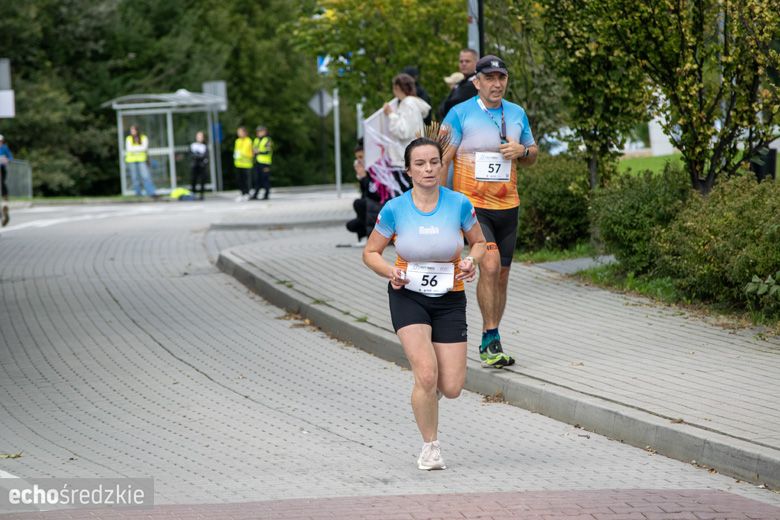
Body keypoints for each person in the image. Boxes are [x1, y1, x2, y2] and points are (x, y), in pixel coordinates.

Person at [363, 137, 486, 471]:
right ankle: (430, 447)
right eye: (420, 164)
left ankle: (426, 395)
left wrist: (470, 262)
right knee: (427, 374)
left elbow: (479, 244)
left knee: (453, 386)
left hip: (449, 297)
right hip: (408, 296)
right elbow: (370, 253)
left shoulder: (459, 204)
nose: (429, 169)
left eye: (434, 162)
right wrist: (391, 271)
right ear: (409, 171)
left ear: (441, 165)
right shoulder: (395, 209)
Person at [442, 54, 538, 369]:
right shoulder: (459, 114)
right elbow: (442, 160)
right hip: (473, 205)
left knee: (502, 276)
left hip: (508, 205)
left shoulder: (517, 113)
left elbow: (532, 153)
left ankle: (491, 337)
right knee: (491, 264)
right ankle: (490, 336)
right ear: (477, 82)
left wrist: (521, 151)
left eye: (502, 78)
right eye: (490, 78)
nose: (496, 84)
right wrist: (440, 204)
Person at [383, 73, 431, 194]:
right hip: (410, 155)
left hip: (405, 157)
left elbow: (403, 131)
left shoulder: (408, 103)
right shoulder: (412, 103)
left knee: (406, 194)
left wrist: (391, 115)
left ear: (398, 88)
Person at [346, 139, 381, 245]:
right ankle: (363, 237)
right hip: (371, 208)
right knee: (351, 225)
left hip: (379, 206)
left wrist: (364, 178)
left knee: (358, 203)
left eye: (361, 157)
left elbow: (375, 194)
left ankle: (370, 236)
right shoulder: (366, 171)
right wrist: (362, 179)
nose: (359, 161)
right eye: (357, 158)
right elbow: (365, 194)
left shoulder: (377, 169)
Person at [438, 49, 479, 121]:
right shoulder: (462, 83)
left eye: (467, 61)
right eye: (461, 61)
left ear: (476, 63)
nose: (463, 64)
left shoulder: (476, 83)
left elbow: (449, 106)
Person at [125, 125, 157, 198]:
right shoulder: (129, 138)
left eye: (133, 130)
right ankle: (138, 194)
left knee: (146, 176)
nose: (132, 132)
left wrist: (135, 149)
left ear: (137, 130)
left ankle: (151, 193)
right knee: (135, 178)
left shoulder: (143, 137)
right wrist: (139, 148)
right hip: (131, 160)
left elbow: (144, 148)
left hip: (142, 160)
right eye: (131, 130)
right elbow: (129, 149)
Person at [251, 126, 273, 200]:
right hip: (257, 162)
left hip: (265, 163)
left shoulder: (267, 140)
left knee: (265, 179)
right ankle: (256, 194)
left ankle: (266, 194)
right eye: (258, 131)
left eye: (261, 131)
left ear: (265, 132)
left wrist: (259, 151)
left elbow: (268, 151)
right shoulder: (256, 140)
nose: (259, 133)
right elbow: (254, 149)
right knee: (256, 179)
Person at [233, 126, 253, 202]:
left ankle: (247, 194)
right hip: (238, 164)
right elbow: (236, 151)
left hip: (247, 164)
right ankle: (242, 193)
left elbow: (249, 152)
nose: (239, 134)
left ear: (245, 132)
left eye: (240, 132)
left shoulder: (249, 141)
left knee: (246, 180)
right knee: (240, 180)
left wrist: (241, 154)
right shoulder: (237, 141)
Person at [189, 131, 209, 201]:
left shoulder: (204, 146)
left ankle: (201, 195)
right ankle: (193, 194)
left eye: (201, 136)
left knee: (202, 180)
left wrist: (198, 156)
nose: (199, 138)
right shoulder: (193, 145)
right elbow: (191, 155)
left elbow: (205, 156)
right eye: (198, 136)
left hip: (202, 165)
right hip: (195, 165)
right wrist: (199, 156)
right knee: (193, 179)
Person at [0, 135, 12, 226]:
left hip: (2, 169)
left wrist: (7, 160)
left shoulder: (4, 148)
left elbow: (10, 157)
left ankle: (5, 202)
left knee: (2, 183)